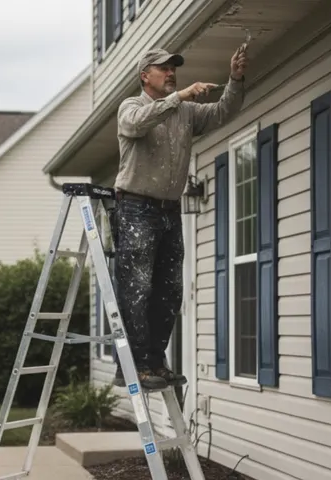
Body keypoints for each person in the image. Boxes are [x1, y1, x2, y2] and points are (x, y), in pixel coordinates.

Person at [110, 45, 248, 390]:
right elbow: (136, 125)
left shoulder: (186, 112)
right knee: (136, 287)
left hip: (169, 211)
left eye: (174, 69)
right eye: (164, 69)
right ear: (146, 76)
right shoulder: (132, 106)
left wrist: (235, 78)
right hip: (135, 208)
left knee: (170, 290)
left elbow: (221, 113)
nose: (171, 73)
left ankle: (155, 361)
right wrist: (179, 97)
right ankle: (133, 366)